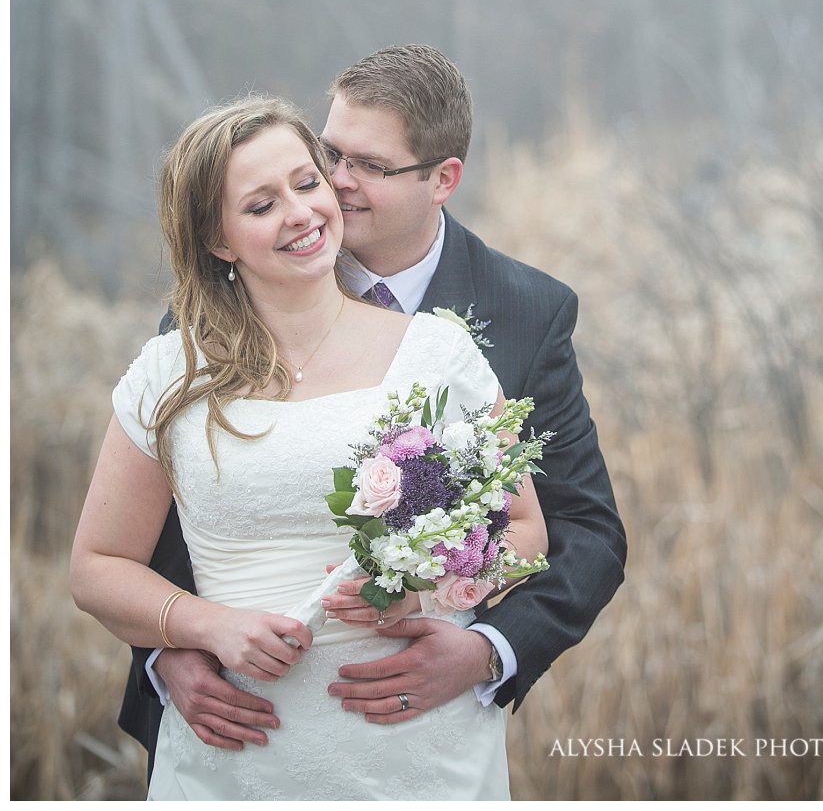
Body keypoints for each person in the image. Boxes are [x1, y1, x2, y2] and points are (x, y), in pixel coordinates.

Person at [118, 45, 626, 771]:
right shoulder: (211, 319)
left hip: (413, 734)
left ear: (443, 179)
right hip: (237, 727)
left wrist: (486, 650)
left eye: (371, 167)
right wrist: (165, 648)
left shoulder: (525, 313)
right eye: (330, 153)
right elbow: (158, 525)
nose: (333, 184)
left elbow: (582, 529)